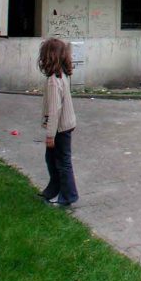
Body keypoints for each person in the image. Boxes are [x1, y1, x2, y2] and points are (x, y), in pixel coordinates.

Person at [38, 38, 79, 207]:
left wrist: (50, 136)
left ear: (48, 57)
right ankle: (53, 189)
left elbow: (55, 111)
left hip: (60, 129)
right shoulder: (60, 75)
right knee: (52, 159)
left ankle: (68, 196)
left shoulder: (54, 81)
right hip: (64, 126)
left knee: (62, 162)